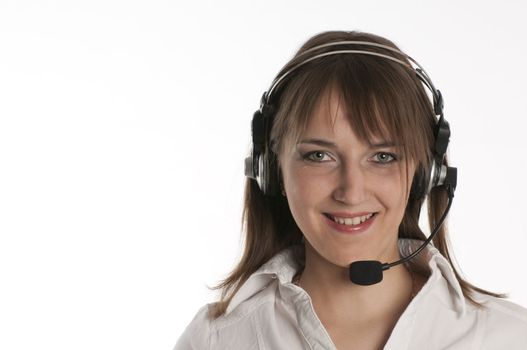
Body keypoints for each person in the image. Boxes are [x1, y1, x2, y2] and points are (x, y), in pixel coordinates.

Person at [175, 31, 527, 349]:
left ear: (427, 174)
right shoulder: (216, 340)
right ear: (271, 171)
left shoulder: (508, 337)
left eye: (383, 156)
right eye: (319, 155)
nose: (351, 191)